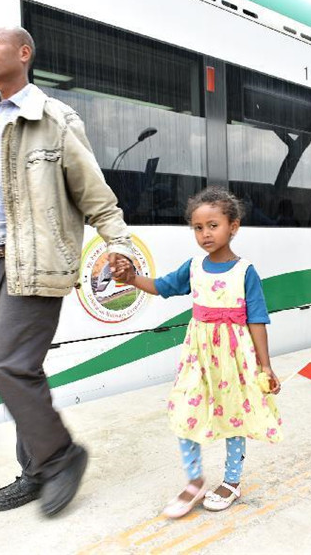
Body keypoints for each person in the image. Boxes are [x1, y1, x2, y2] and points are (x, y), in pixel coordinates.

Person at [0, 26, 134, 516]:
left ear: (23, 53)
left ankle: (61, 455)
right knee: (22, 371)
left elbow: (95, 195)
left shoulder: (55, 119)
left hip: (36, 266)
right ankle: (35, 469)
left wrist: (119, 244)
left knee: (4, 364)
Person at [116, 187, 282, 518]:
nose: (205, 234)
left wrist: (265, 366)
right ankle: (194, 480)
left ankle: (232, 481)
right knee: (183, 412)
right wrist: (132, 278)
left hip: (234, 357)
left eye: (213, 225)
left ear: (233, 226)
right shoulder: (193, 267)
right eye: (198, 227)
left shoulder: (245, 271)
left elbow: (258, 320)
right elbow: (162, 286)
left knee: (234, 414)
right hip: (198, 358)